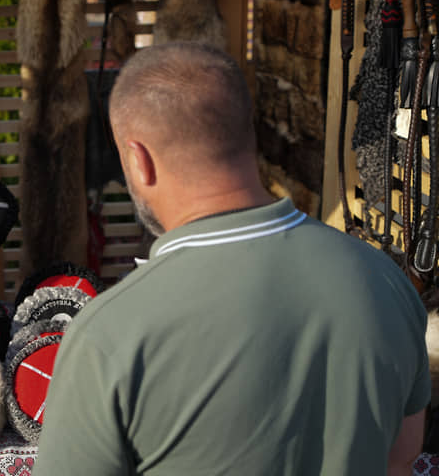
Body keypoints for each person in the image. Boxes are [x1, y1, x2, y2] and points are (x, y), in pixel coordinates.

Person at [33, 43, 430, 475]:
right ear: (246, 134)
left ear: (138, 159)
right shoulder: (385, 281)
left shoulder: (108, 335)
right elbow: (401, 459)